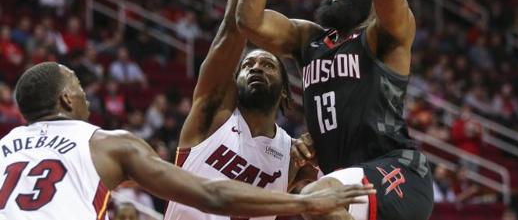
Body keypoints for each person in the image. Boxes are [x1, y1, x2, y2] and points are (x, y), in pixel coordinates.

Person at [237, 0, 433, 220]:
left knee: (317, 200)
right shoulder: (308, 39)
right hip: (344, 178)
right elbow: (248, 20)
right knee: (316, 202)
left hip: (397, 170)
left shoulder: (384, 35)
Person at [0, 62, 374, 220]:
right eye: (79, 87)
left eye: (268, 65)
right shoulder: (104, 142)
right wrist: (303, 202)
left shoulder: (4, 146)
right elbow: (215, 196)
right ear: (66, 100)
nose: (85, 95)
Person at [165, 0, 319, 220]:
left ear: (285, 93)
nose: (255, 67)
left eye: (267, 64)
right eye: (248, 65)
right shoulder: (212, 115)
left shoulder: (291, 156)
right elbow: (232, 26)